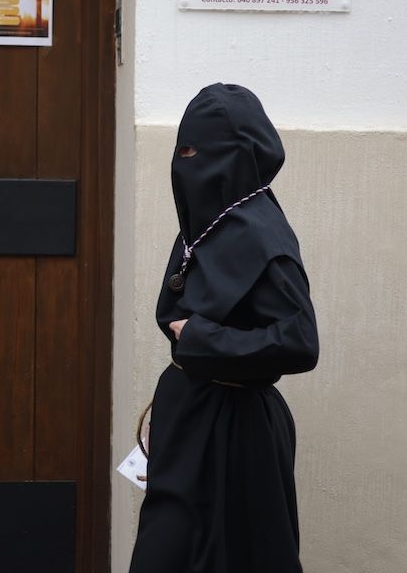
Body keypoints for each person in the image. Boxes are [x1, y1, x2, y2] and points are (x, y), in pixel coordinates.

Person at [129, 82, 320, 573]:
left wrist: (201, 339)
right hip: (190, 417)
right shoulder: (205, 223)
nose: (184, 161)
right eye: (181, 148)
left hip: (239, 432)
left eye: (196, 150)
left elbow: (299, 341)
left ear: (234, 155)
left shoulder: (261, 233)